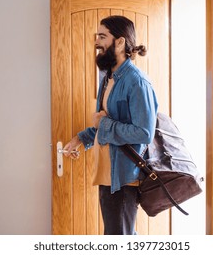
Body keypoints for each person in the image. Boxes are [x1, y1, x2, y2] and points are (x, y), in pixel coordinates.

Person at [63, 15, 158, 235]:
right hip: (108, 175)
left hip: (124, 179)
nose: (97, 42)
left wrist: (104, 123)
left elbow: (143, 132)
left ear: (120, 42)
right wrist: (80, 139)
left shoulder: (137, 82)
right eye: (98, 36)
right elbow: (103, 125)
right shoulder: (108, 78)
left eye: (103, 36)